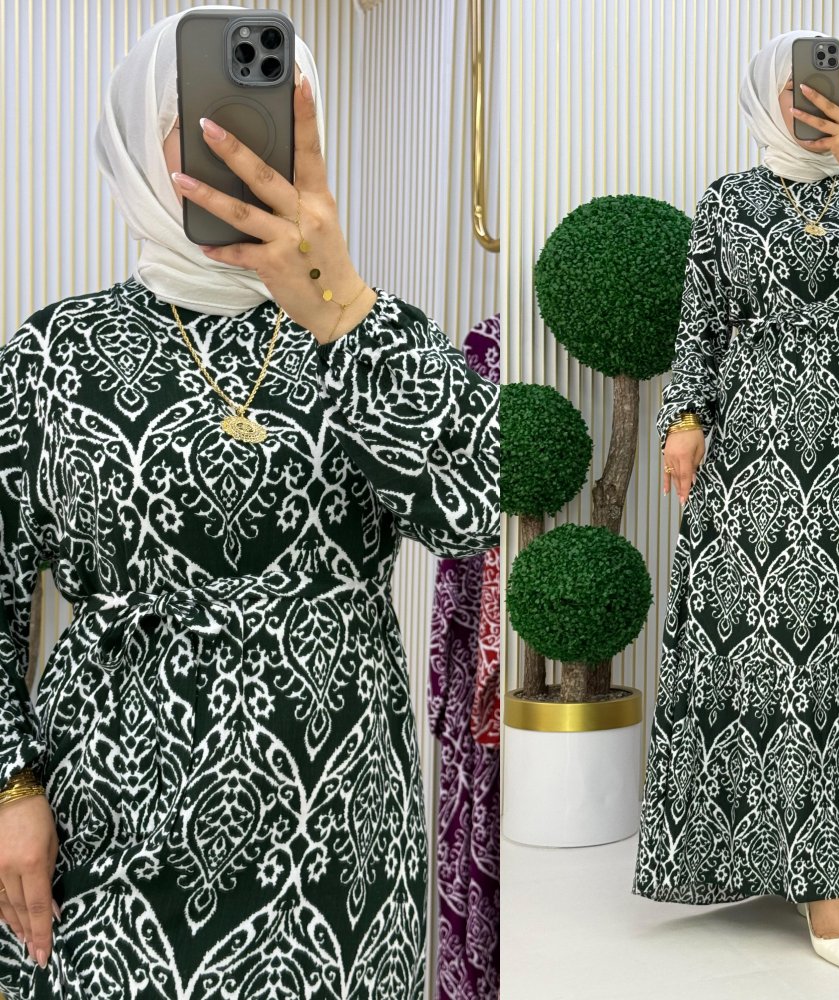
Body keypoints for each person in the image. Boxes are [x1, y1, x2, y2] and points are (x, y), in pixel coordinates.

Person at [0, 7, 498, 998]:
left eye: (263, 123)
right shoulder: (53, 352)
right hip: (109, 823)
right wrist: (9, 786)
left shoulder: (371, 331)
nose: (237, 151)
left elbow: (476, 506)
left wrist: (342, 307)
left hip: (341, 829)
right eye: (203, 123)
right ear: (138, 141)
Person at [631, 29, 839, 976]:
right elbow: (701, 326)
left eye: (830, 85)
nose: (815, 101)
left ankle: (832, 851)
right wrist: (684, 418)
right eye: (800, 89)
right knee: (775, 643)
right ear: (770, 96)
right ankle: (816, 877)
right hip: (757, 450)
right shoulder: (728, 201)